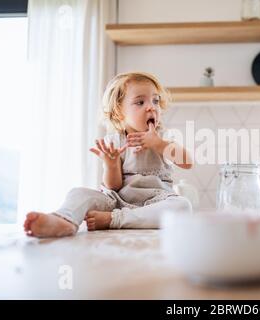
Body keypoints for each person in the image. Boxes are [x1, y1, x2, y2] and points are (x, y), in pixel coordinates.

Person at [24, 72, 193, 237]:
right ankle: (64, 219)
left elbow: (187, 162)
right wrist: (111, 165)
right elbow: (113, 186)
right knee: (79, 193)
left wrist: (158, 144)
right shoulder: (114, 141)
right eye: (140, 102)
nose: (151, 107)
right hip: (116, 201)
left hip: (156, 201)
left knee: (183, 206)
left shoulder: (163, 137)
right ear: (119, 112)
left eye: (155, 101)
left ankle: (114, 220)